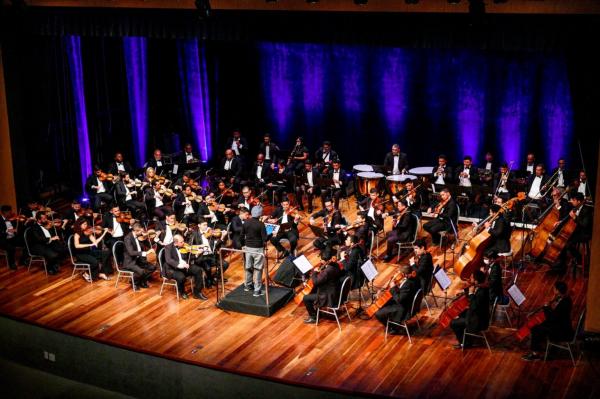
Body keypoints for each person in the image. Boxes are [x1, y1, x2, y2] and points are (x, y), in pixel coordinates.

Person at [522, 281, 573, 361]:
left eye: (554, 289)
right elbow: (555, 316)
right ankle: (539, 345)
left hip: (561, 331)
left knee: (536, 328)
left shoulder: (564, 303)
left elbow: (552, 318)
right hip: (561, 325)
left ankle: (535, 354)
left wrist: (547, 307)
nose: (553, 290)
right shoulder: (566, 298)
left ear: (557, 290)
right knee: (540, 324)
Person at [552, 192, 593, 275]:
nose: (571, 201)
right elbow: (567, 218)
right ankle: (562, 263)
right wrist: (560, 222)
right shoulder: (574, 207)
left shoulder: (587, 210)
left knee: (568, 244)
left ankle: (579, 258)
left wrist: (575, 217)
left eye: (573, 200)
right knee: (561, 238)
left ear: (578, 201)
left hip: (584, 233)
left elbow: (584, 224)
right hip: (576, 231)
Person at [450, 269, 490, 349]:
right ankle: (467, 337)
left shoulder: (482, 292)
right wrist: (466, 290)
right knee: (460, 313)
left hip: (478, 321)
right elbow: (473, 301)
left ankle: (464, 343)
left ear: (476, 281)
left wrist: (471, 293)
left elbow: (474, 305)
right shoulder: (481, 288)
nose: (470, 279)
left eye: (472, 278)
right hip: (477, 315)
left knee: (453, 323)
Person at [374, 265, 418, 334]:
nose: (397, 274)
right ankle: (393, 324)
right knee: (383, 305)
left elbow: (399, 299)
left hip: (403, 309)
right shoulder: (413, 280)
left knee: (378, 313)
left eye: (399, 273)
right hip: (406, 303)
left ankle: (393, 328)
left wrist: (393, 288)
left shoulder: (408, 285)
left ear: (404, 274)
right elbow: (403, 294)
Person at [303, 253, 343, 324]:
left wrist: (314, 273)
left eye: (321, 260)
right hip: (336, 292)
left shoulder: (327, 271)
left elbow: (315, 282)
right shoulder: (336, 265)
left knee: (306, 298)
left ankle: (313, 317)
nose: (320, 261)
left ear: (325, 261)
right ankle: (318, 312)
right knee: (315, 290)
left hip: (328, 296)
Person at [164, 234, 207, 300]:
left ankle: (197, 292)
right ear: (175, 243)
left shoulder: (184, 246)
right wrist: (181, 265)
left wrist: (196, 254)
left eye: (183, 241)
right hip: (173, 269)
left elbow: (188, 256)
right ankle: (182, 292)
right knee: (181, 277)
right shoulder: (168, 247)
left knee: (198, 270)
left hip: (185, 266)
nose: (183, 243)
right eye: (181, 242)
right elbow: (169, 260)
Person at [242, 206, 268, 296]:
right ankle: (257, 290)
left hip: (248, 248)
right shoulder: (261, 224)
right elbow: (265, 239)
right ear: (260, 214)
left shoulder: (246, 222)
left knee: (248, 267)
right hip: (258, 249)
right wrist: (272, 234)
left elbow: (242, 235)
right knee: (258, 269)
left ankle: (247, 285)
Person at [123, 223, 156, 288]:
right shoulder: (128, 238)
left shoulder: (139, 237)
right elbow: (131, 252)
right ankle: (135, 282)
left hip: (138, 259)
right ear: (136, 231)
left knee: (152, 267)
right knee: (141, 271)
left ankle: (142, 281)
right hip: (130, 261)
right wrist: (145, 253)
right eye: (141, 231)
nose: (142, 233)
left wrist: (146, 238)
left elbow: (148, 246)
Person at [0, 205, 26, 270]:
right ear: (4, 212)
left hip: (12, 238)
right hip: (3, 239)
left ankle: (22, 260)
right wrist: (7, 230)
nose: (11, 213)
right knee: (11, 248)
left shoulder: (12, 218)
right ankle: (12, 264)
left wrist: (21, 223)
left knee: (25, 243)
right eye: (9, 212)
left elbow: (17, 227)